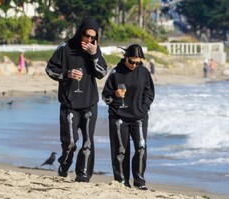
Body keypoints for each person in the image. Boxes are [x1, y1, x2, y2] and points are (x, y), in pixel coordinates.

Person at [45, 17, 108, 182]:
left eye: (92, 38)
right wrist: (67, 74)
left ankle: (83, 175)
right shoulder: (65, 48)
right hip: (69, 103)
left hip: (89, 103)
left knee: (87, 141)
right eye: (86, 35)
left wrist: (94, 54)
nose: (88, 40)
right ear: (81, 33)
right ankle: (64, 165)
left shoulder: (95, 50)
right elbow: (50, 69)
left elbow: (102, 73)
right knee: (71, 143)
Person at [102, 44, 155, 190]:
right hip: (119, 117)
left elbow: (150, 93)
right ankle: (122, 182)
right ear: (125, 58)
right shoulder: (115, 73)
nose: (134, 65)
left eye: (137, 62)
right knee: (120, 150)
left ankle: (139, 181)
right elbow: (105, 96)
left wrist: (143, 108)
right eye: (131, 62)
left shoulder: (143, 72)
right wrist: (114, 95)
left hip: (139, 117)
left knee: (141, 148)